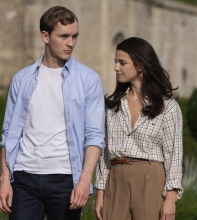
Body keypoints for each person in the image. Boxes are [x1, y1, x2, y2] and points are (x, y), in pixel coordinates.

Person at [0, 6, 105, 220]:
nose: (71, 43)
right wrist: (4, 178)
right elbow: (9, 134)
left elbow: (95, 136)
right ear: (45, 36)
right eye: (64, 36)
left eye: (75, 36)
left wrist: (85, 180)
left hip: (65, 178)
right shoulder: (22, 79)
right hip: (24, 177)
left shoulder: (88, 79)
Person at [94, 37, 183, 220]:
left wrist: (171, 198)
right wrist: (101, 191)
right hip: (116, 180)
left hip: (151, 179)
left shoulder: (168, 107)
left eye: (122, 63)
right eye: (115, 62)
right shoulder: (112, 106)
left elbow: (174, 154)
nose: (115, 68)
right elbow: (104, 152)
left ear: (140, 65)